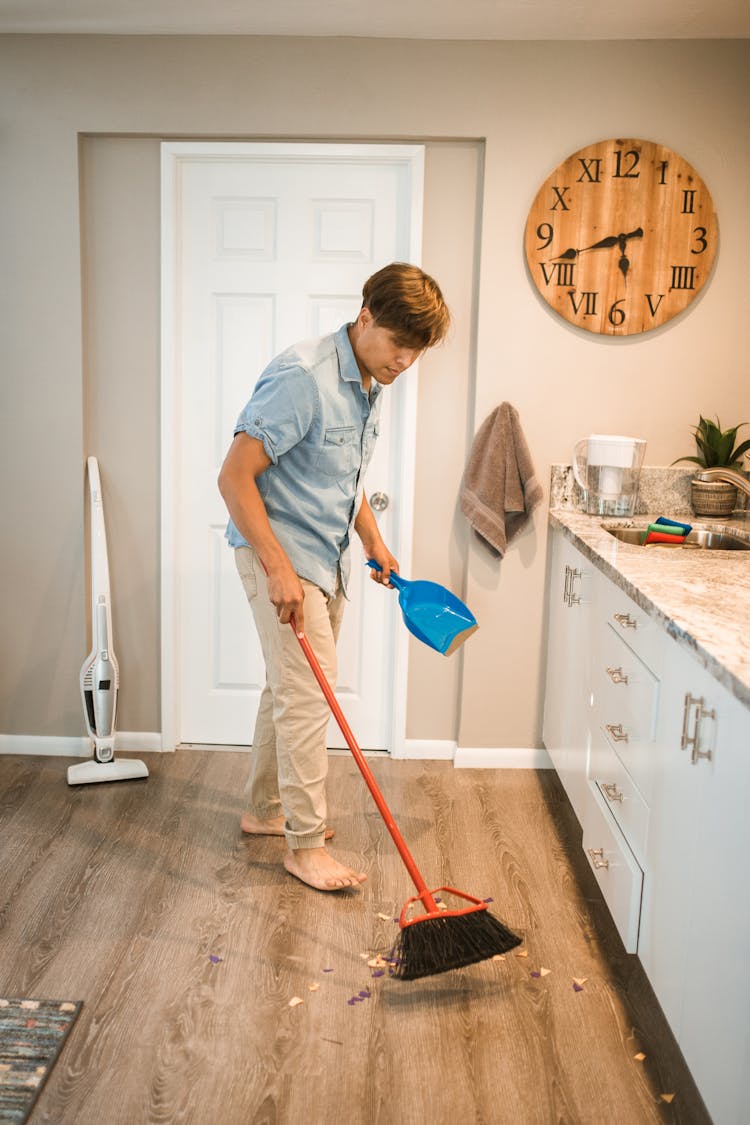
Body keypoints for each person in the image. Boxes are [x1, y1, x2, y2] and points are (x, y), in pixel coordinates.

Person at [218, 262, 450, 891]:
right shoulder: (304, 377)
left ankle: (265, 811)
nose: (404, 361)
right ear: (365, 316)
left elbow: (340, 478)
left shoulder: (369, 382)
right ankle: (304, 846)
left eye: (416, 351)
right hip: (281, 553)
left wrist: (374, 542)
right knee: (308, 696)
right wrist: (277, 567)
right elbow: (234, 477)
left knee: (288, 687)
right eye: (398, 344)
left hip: (326, 556)